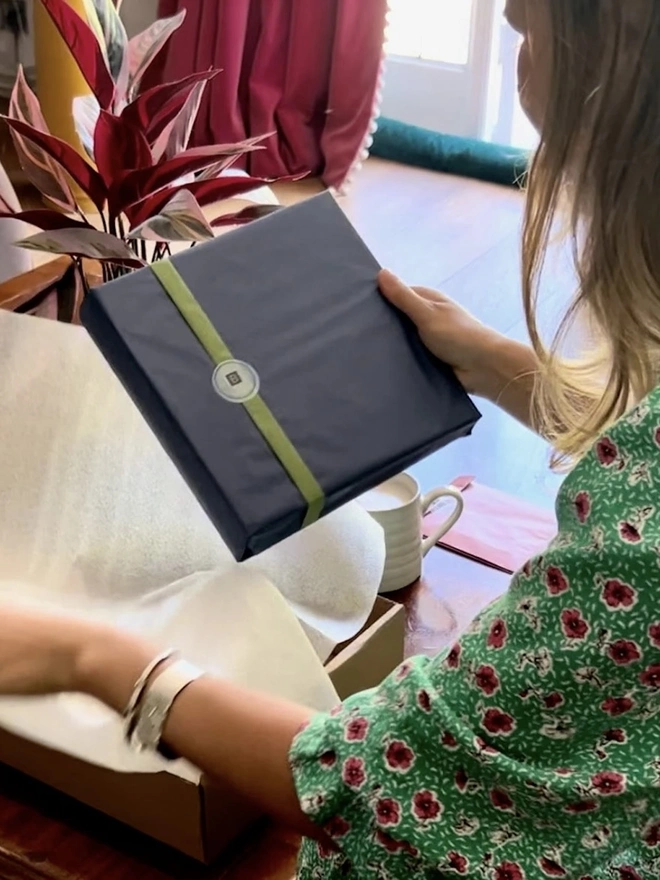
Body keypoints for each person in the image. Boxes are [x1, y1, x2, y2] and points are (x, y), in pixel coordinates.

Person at [1, 0, 660, 876]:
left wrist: (91, 658)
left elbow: (397, 785)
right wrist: (492, 362)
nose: (506, 19)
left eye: (529, 28)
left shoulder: (633, 541)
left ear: (615, 76)